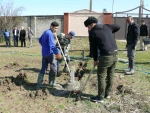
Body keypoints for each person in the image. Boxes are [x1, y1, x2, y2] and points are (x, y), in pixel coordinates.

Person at [84, 16, 120, 103]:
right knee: (110, 75)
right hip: (115, 54)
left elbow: (93, 48)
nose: (88, 29)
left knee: (101, 76)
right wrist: (109, 31)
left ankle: (100, 97)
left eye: (88, 27)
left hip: (106, 56)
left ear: (92, 24)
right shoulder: (107, 27)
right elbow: (118, 26)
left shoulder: (93, 32)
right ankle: (107, 94)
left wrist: (95, 59)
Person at [37, 21, 62, 89]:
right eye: (55, 28)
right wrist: (57, 54)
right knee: (53, 68)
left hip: (44, 53)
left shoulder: (46, 32)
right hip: (50, 54)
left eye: (57, 28)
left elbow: (40, 40)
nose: (56, 30)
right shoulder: (50, 34)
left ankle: (39, 83)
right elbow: (52, 45)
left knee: (44, 68)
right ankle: (52, 83)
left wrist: (44, 45)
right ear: (51, 26)